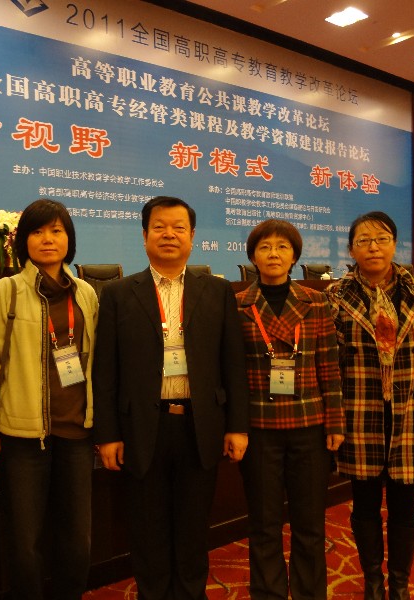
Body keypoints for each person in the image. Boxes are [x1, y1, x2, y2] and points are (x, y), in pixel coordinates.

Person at [93, 195, 249, 600]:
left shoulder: (216, 291)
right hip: (142, 427)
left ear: (192, 236)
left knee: (194, 527)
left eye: (179, 227)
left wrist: (237, 426)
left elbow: (233, 364)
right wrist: (108, 434)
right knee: (148, 530)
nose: (169, 234)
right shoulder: (118, 293)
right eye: (159, 226)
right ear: (144, 235)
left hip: (200, 425)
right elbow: (105, 371)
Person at [324, 211, 414, 600]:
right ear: (351, 249)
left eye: (381, 239)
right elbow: (327, 363)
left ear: (395, 245)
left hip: (411, 411)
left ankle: (399, 583)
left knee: (404, 507)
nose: (373, 247)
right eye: (363, 240)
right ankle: (372, 581)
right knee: (364, 505)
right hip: (359, 413)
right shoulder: (337, 295)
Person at [0, 198, 99, 600]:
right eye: (38, 231)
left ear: (69, 239)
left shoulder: (86, 294)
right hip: (22, 437)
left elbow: (95, 363)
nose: (48, 239)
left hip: (76, 434)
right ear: (23, 240)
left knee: (77, 539)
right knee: (24, 542)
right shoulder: (5, 292)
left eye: (57, 231)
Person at [236, 219, 344, 600]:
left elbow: (329, 364)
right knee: (264, 524)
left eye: (282, 247)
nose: (274, 254)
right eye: (265, 247)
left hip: (309, 425)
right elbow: (232, 371)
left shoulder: (316, 301)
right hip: (259, 426)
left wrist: (335, 422)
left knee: (310, 523)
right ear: (253, 257)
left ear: (295, 256)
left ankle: (309, 593)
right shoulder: (238, 305)